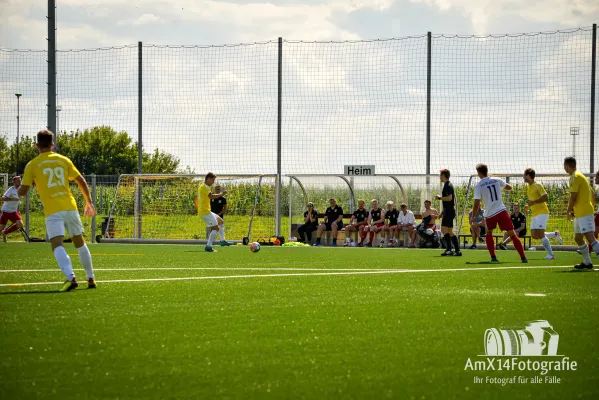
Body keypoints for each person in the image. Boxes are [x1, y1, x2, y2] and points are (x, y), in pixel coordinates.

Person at [17, 130, 97, 291]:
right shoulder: (64, 160)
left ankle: (71, 277)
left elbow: (23, 190)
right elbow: (80, 180)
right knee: (79, 242)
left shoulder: (32, 164)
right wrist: (88, 202)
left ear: (36, 145)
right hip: (70, 206)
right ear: (52, 145)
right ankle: (91, 278)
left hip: (53, 210)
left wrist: (11, 196)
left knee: (57, 244)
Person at [470, 163, 527, 263]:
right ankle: (523, 258)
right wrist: (506, 187)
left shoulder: (478, 186)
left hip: (490, 214)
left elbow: (476, 204)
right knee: (512, 234)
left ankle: (493, 257)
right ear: (487, 171)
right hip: (501, 211)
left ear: (479, 173)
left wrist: (473, 217)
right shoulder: (496, 180)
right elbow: (508, 187)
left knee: (489, 233)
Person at [563, 157, 599, 269]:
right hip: (581, 213)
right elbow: (592, 194)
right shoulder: (578, 176)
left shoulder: (576, 177)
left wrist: (568, 210)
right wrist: (591, 208)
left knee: (590, 237)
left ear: (567, 166)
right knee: (578, 238)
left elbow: (573, 197)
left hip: (584, 213)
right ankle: (587, 262)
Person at [521, 168, 563, 260]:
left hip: (542, 213)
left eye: (524, 175)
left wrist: (534, 202)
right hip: (535, 214)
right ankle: (555, 234)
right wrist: (528, 205)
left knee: (541, 234)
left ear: (528, 176)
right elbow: (531, 201)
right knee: (534, 235)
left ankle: (551, 255)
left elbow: (545, 197)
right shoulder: (528, 187)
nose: (523, 177)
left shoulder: (538, 185)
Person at [196, 172, 229, 252]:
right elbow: (211, 196)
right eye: (213, 180)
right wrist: (221, 194)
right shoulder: (205, 187)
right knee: (216, 228)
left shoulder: (203, 186)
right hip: (205, 212)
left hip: (206, 211)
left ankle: (222, 241)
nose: (213, 182)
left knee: (221, 221)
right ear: (208, 179)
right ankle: (208, 246)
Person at [436, 169, 461, 256]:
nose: (440, 177)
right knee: (450, 231)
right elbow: (448, 203)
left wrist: (440, 197)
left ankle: (449, 249)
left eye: (440, 175)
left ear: (444, 176)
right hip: (449, 211)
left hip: (449, 211)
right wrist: (441, 213)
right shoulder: (447, 185)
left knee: (443, 229)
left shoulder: (448, 185)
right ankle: (458, 250)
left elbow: (450, 198)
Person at [1, 176, 24, 242]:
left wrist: (18, 210)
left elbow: (18, 202)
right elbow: (3, 198)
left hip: (13, 212)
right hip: (6, 211)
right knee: (0, 228)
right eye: (18, 181)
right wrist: (12, 199)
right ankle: (2, 231)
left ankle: (5, 232)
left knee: (20, 224)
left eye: (20, 180)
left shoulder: (21, 190)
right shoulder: (11, 189)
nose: (19, 182)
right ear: (14, 182)